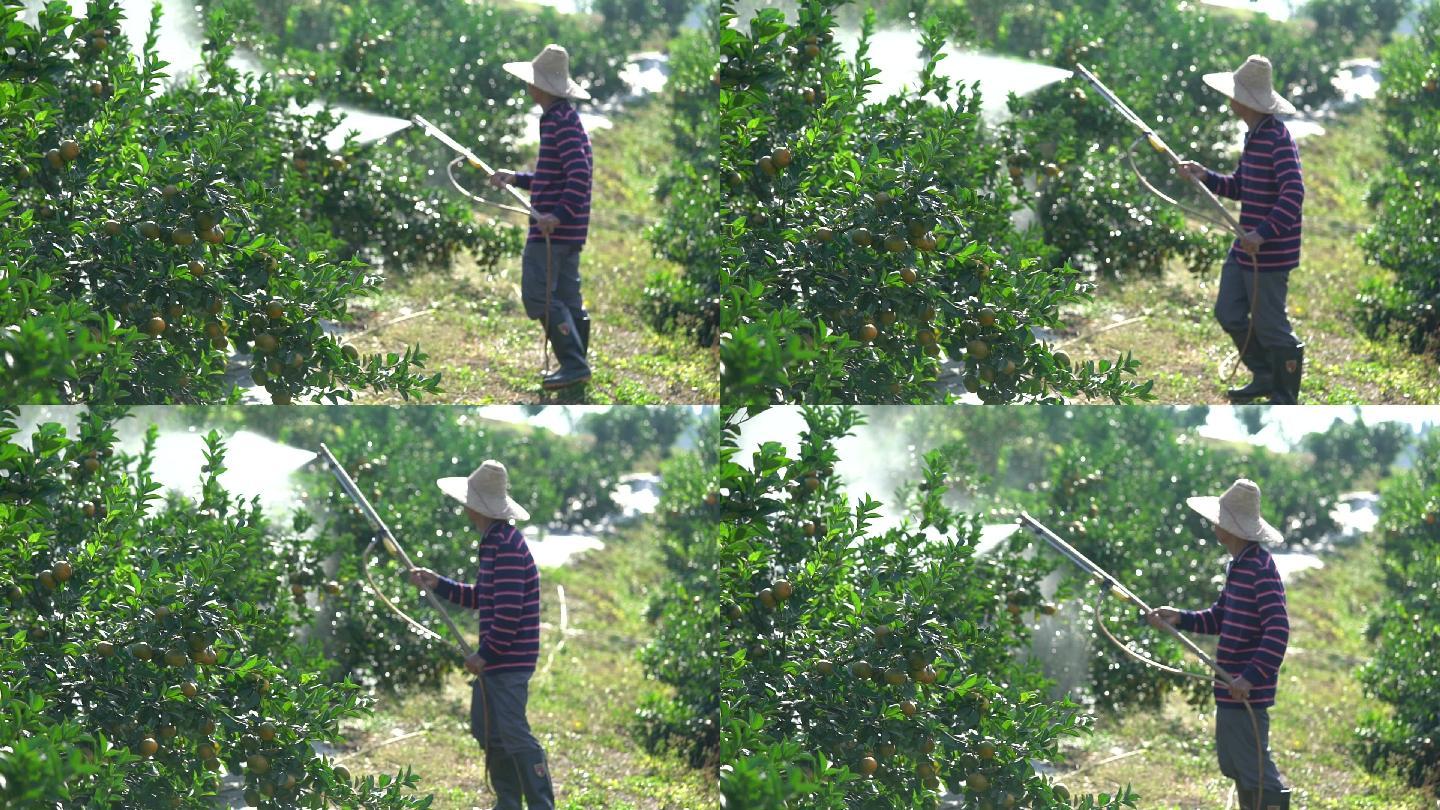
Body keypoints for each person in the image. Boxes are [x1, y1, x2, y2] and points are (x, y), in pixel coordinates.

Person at [409, 460, 554, 809]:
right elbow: (482, 597)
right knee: (487, 729)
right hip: (500, 660)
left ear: (477, 507)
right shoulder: (495, 542)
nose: (464, 507)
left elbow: (506, 614)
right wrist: (437, 583)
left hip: (507, 661)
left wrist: (484, 655)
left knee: (514, 734)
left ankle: (539, 804)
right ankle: (508, 802)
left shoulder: (504, 546)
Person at [1147, 478, 1291, 810]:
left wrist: (1249, 677)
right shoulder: (1238, 567)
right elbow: (1220, 617)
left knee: (1256, 771)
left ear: (1230, 528)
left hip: (1244, 692)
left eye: (1220, 520)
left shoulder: (1261, 569)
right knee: (1237, 766)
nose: (1214, 525)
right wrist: (1179, 617)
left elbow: (1278, 631)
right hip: (1229, 688)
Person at [1177, 55, 1306, 405]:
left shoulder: (1278, 138)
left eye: (1233, 94)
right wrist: (1205, 176)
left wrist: (1262, 233)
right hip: (1245, 247)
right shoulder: (1254, 136)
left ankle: (1284, 394)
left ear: (1243, 100)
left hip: (1269, 252)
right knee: (1229, 312)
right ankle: (1264, 375)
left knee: (1269, 325)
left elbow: (1294, 193)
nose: (1229, 100)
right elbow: (1241, 187)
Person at [489, 44, 594, 391]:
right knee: (566, 295)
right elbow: (555, 177)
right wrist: (515, 178)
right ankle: (577, 364)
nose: (528, 87)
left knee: (537, 295)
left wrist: (558, 216)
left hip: (555, 231)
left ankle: (574, 364)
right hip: (568, 231)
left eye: (532, 82)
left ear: (541, 88)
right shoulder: (565, 118)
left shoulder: (557, 122)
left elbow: (579, 174)